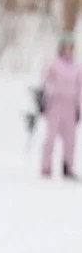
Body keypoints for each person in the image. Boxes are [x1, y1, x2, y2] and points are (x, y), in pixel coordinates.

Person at [41, 33, 82, 179]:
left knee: (70, 138)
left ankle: (67, 166)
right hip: (55, 103)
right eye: (66, 47)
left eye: (71, 47)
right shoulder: (53, 64)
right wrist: (49, 94)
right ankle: (46, 167)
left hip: (70, 105)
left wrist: (79, 107)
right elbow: (45, 82)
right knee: (50, 137)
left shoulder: (77, 67)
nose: (68, 50)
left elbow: (79, 88)